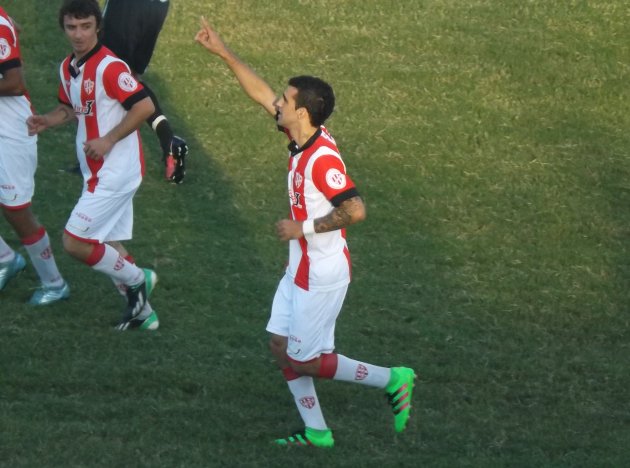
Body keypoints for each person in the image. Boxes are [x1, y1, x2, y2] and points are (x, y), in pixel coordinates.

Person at [195, 18, 417, 447]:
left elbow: (355, 209)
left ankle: (393, 379)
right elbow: (260, 93)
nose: (277, 102)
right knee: (281, 345)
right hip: (299, 267)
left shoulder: (321, 160)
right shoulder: (300, 135)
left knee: (307, 360)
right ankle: (317, 432)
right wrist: (223, 52)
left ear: (302, 112)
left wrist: (304, 227)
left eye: (285, 99)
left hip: (322, 273)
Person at [27, 0, 158, 330]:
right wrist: (48, 120)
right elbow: (71, 108)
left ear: (98, 27)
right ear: (64, 29)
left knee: (75, 241)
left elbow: (144, 106)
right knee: (108, 243)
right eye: (71, 27)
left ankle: (138, 278)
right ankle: (144, 315)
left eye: (85, 26)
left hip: (117, 170)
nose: (79, 34)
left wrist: (109, 139)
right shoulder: (67, 67)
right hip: (96, 172)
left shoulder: (110, 67)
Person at [0, 6, 70, 305]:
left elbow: (15, 82)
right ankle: (5, 259)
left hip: (10, 132)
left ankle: (54, 284)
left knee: (15, 210)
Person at [101, 0, 188, 184]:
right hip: (157, 6)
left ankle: (98, 155)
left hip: (129, 6)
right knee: (129, 76)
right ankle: (169, 142)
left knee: (104, 65)